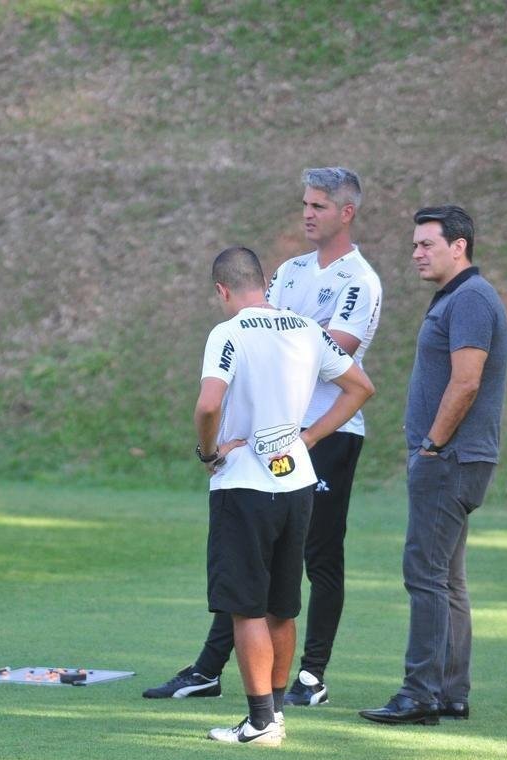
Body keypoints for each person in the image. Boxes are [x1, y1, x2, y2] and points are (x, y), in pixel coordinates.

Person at [144, 167, 382, 708]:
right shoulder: (292, 273)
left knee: (295, 572)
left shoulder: (358, 281)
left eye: (319, 205)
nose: (307, 212)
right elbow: (317, 351)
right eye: (305, 203)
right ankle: (231, 683)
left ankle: (305, 681)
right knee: (271, 594)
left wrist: (304, 434)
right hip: (287, 453)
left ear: (347, 212)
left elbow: (319, 354)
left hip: (307, 442)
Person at [197, 246, 374, 746]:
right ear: (264, 282)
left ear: (222, 290)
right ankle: (274, 714)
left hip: (244, 485)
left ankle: (258, 723)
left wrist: (208, 452)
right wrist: (311, 437)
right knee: (281, 607)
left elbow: (210, 403)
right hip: (296, 481)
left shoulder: (227, 333)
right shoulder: (305, 329)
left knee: (245, 608)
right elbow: (360, 387)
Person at [359, 205, 507, 725]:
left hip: (449, 460)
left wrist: (430, 446)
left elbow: (466, 381)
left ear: (459, 246)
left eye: (427, 244)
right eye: (415, 244)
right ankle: (449, 691)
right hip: (456, 458)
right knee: (447, 578)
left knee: (424, 574)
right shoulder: (461, 298)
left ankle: (419, 694)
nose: (416, 253)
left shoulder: (469, 299)